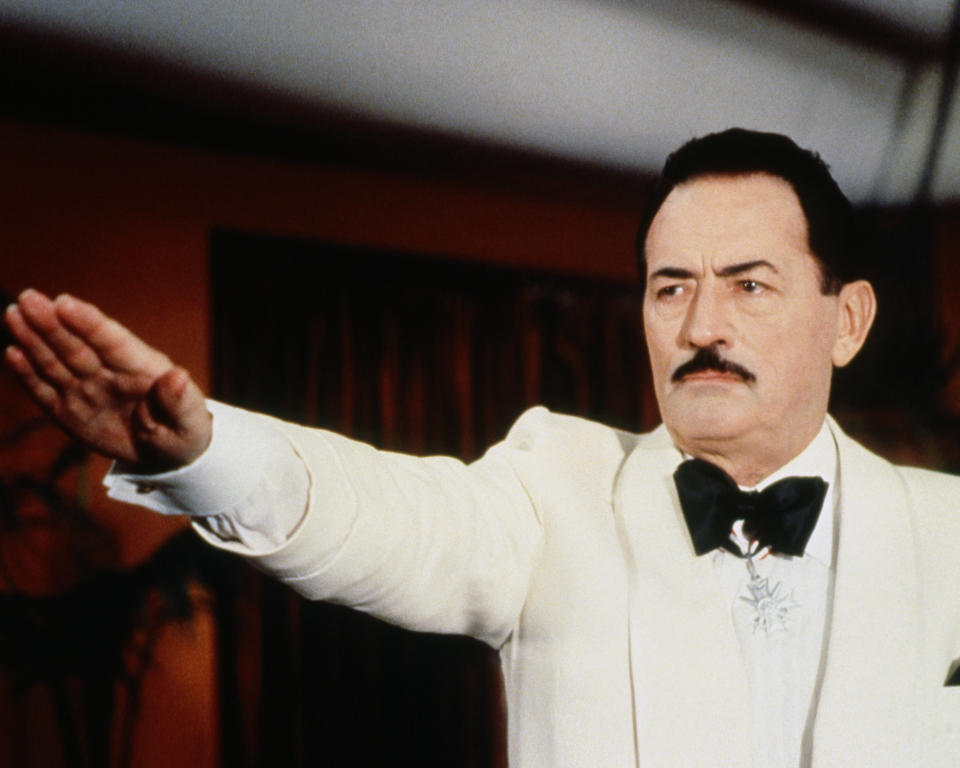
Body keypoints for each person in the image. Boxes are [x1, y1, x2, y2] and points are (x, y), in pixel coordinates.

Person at [4, 128, 960, 767]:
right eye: (671, 287)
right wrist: (202, 450)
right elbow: (387, 515)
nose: (702, 323)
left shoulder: (950, 531)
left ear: (848, 318)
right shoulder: (554, 487)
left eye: (749, 285)